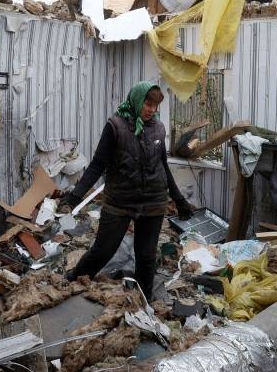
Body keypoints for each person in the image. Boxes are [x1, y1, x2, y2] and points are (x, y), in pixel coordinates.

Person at [62, 81, 195, 301]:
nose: (151, 109)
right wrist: (74, 196)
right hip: (120, 201)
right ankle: (73, 280)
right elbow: (97, 164)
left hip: (153, 201)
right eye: (147, 103)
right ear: (136, 100)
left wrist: (179, 199)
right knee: (103, 250)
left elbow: (162, 164)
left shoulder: (158, 128)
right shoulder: (115, 125)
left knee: (146, 257)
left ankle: (144, 301)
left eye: (155, 105)